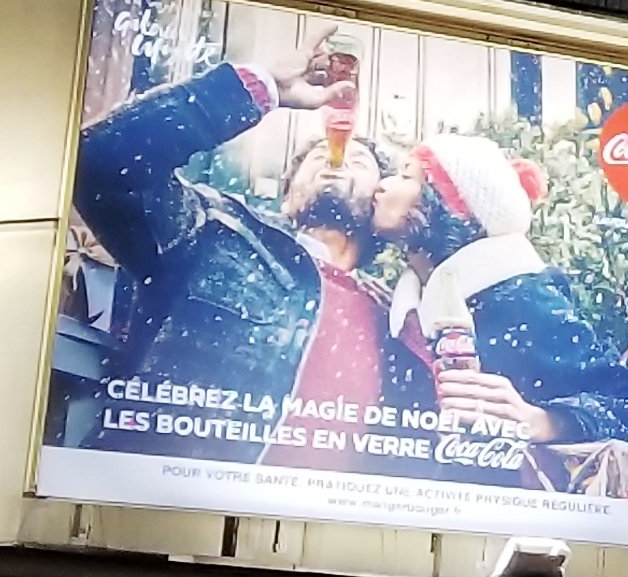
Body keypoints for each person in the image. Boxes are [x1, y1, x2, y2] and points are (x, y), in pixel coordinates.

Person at [71, 27, 436, 467]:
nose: (335, 159)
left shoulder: (396, 320)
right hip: (161, 512)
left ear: (379, 203)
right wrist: (259, 87)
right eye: (315, 159)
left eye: (358, 162)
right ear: (288, 197)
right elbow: (101, 164)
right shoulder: (218, 231)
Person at [391, 134, 628, 469]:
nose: (383, 186)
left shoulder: (521, 299)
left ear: (450, 202)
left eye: (405, 175)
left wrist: (544, 421)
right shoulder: (407, 309)